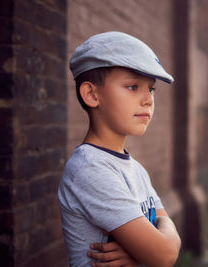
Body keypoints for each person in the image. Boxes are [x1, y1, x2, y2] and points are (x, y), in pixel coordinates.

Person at [58, 31, 181, 267]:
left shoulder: (135, 169)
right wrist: (152, 249)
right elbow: (165, 255)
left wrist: (142, 252)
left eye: (151, 89)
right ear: (92, 94)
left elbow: (166, 242)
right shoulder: (91, 169)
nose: (148, 99)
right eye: (133, 86)